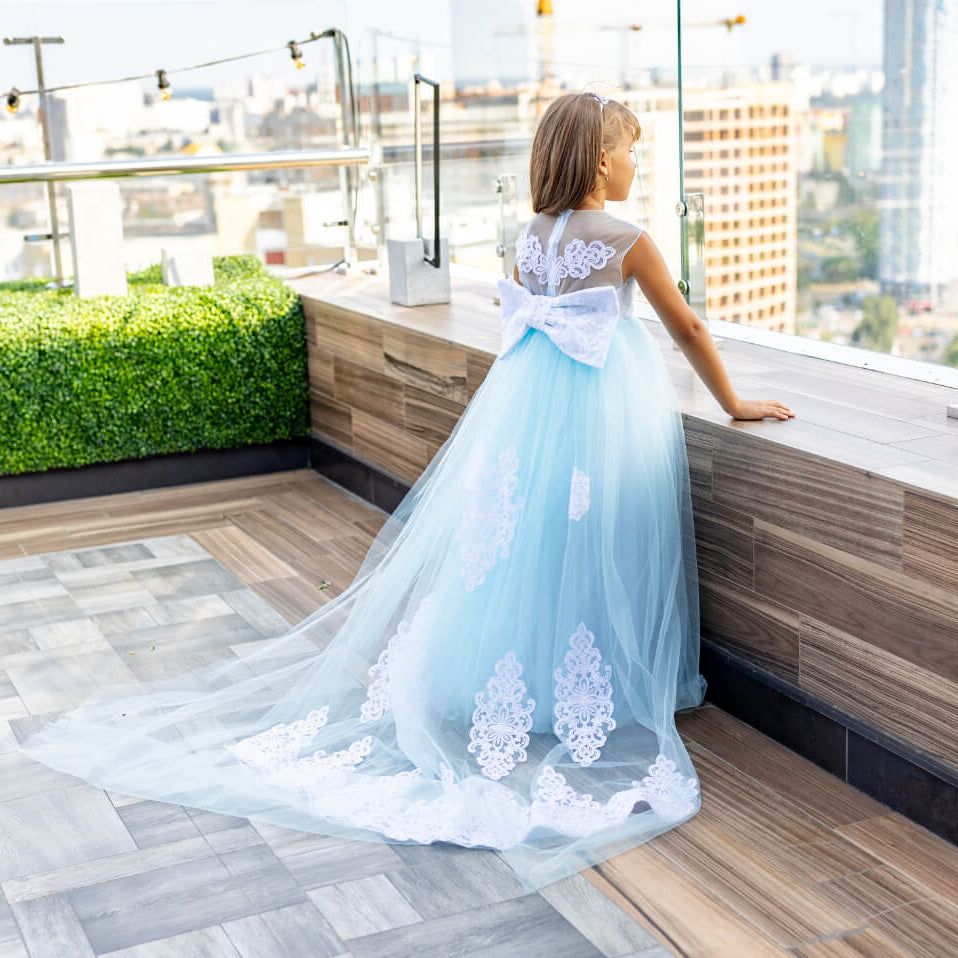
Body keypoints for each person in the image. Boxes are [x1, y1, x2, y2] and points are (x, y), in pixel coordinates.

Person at [19, 91, 795, 895]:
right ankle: (594, 686)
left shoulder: (531, 237)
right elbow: (690, 328)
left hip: (529, 407)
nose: (637, 164)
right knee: (597, 540)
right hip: (597, 412)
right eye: (632, 150)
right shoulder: (629, 239)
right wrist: (734, 403)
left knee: (518, 542)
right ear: (603, 159)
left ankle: (525, 681)